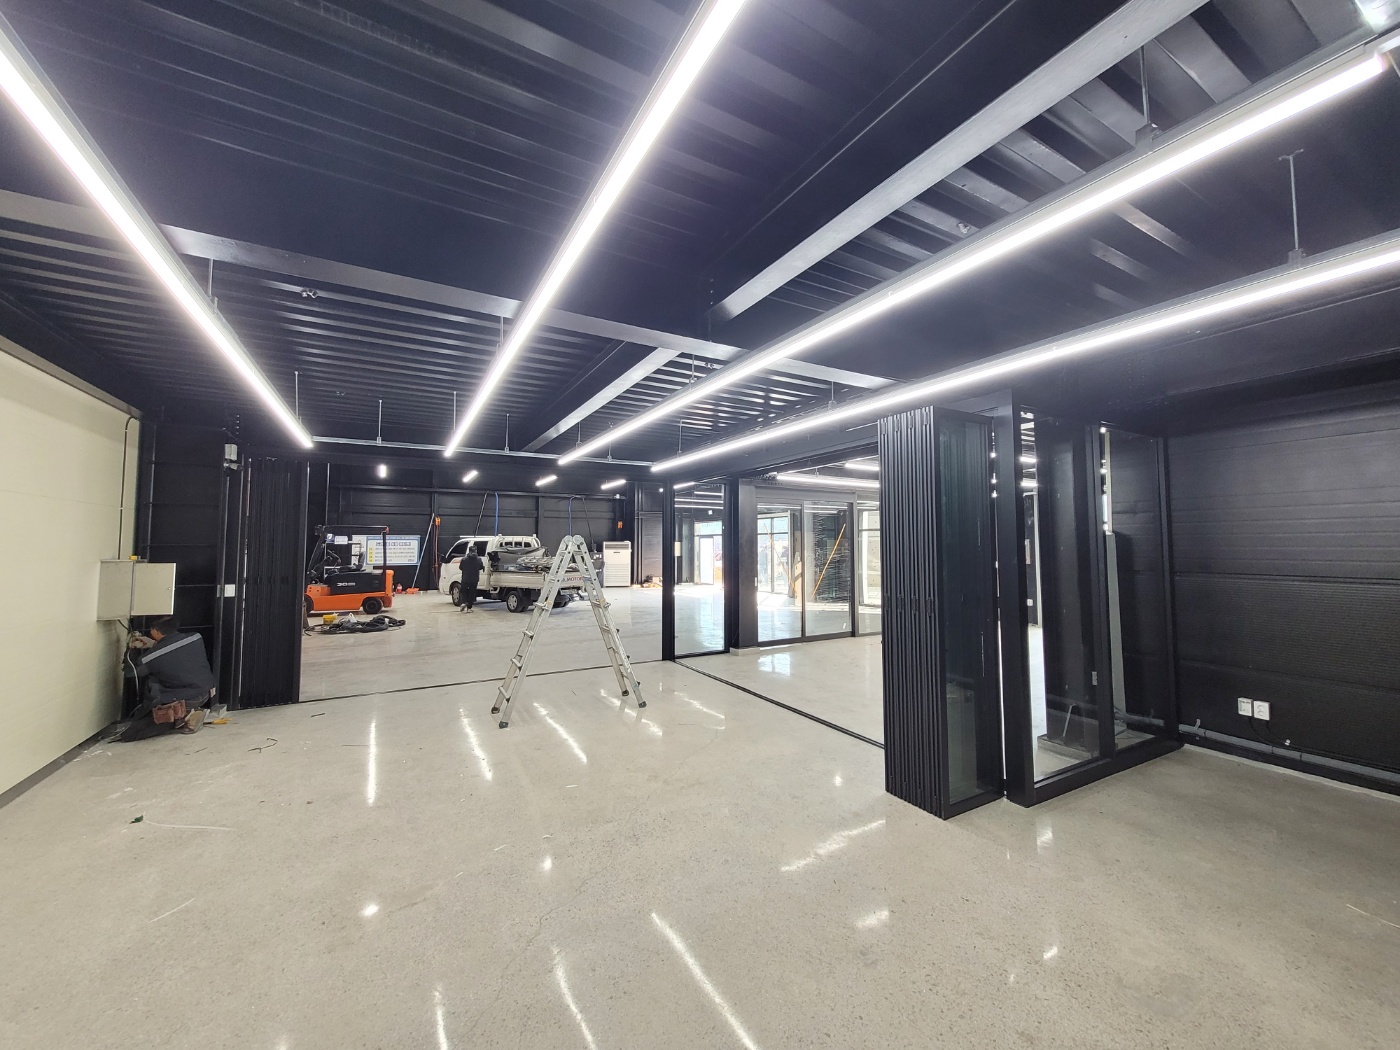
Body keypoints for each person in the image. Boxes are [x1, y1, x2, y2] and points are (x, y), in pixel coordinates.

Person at [119, 615, 217, 740]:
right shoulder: (195, 637)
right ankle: (190, 712)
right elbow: (174, 652)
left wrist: (131, 649)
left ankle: (184, 717)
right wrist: (155, 644)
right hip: (206, 693)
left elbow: (130, 672)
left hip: (184, 699)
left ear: (155, 631)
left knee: (130, 734)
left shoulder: (151, 657)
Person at [459, 548, 484, 612]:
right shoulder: (478, 559)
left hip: (465, 578)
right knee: (472, 593)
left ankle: (463, 602)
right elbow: (481, 567)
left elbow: (460, 567)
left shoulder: (464, 559)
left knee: (463, 591)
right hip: (474, 579)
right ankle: (469, 608)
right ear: (476, 551)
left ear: (469, 551)